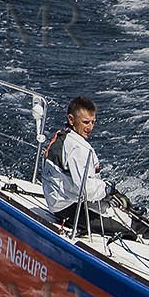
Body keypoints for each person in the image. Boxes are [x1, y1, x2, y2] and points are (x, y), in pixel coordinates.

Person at [40, 96, 110, 235]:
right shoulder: (78, 148)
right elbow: (85, 190)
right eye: (85, 122)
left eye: (93, 122)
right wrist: (108, 189)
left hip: (57, 202)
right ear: (71, 119)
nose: (90, 127)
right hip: (69, 208)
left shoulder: (63, 135)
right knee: (129, 230)